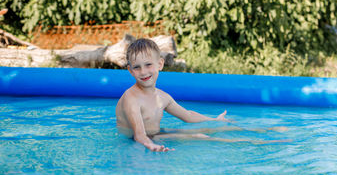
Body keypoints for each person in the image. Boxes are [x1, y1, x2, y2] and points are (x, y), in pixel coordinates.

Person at [116, 38, 288, 152]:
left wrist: (214, 120)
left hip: (157, 134)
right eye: (137, 67)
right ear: (130, 70)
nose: (143, 71)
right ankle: (258, 144)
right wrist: (151, 146)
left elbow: (188, 116)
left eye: (148, 65)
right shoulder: (132, 98)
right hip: (140, 140)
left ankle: (265, 130)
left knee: (211, 128)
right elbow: (139, 135)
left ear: (160, 64)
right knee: (200, 136)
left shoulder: (162, 97)